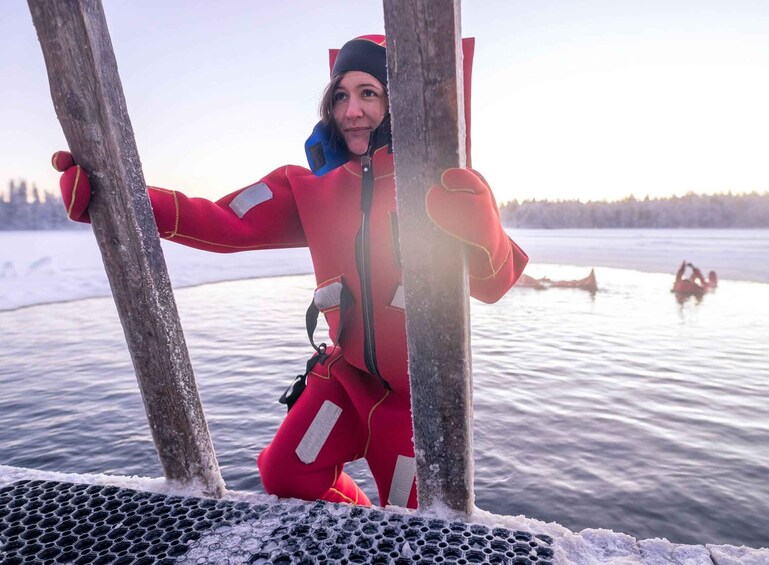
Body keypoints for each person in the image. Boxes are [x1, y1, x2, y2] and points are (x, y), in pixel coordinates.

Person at [51, 35, 527, 509]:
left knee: (412, 517)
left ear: (400, 102)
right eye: (340, 95)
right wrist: (117, 198)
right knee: (285, 472)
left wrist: (483, 232)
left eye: (369, 93)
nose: (351, 111)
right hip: (348, 380)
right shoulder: (308, 187)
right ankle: (360, 525)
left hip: (416, 399)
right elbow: (223, 220)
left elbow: (494, 284)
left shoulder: (439, 188)